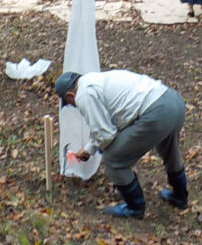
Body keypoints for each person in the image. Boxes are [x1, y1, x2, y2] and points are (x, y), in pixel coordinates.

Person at [55, 70, 188, 218]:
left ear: (70, 96)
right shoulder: (94, 80)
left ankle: (134, 207)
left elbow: (105, 134)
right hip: (173, 102)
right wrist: (89, 149)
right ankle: (180, 196)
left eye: (70, 104)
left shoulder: (83, 95)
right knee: (169, 150)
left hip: (156, 112)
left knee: (113, 158)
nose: (73, 106)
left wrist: (100, 149)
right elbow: (102, 127)